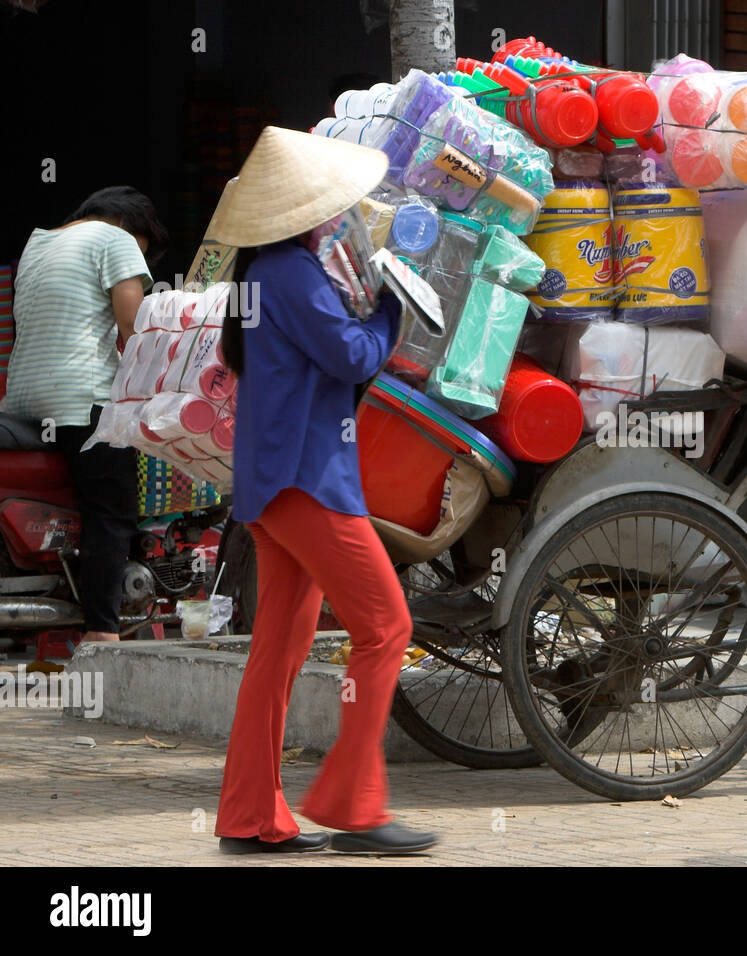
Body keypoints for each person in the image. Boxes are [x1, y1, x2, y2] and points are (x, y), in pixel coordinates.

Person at [209, 126, 436, 853]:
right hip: (308, 479)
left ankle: (250, 816)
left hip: (270, 481)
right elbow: (352, 356)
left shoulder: (257, 274)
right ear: (306, 213)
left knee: (277, 649)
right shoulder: (294, 273)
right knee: (385, 627)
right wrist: (393, 309)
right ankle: (352, 804)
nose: (340, 216)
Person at [4, 187, 168, 644]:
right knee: (110, 514)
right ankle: (102, 635)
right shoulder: (116, 238)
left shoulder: (39, 242)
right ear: (129, 226)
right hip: (78, 398)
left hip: (23, 401)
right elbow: (134, 329)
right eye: (142, 255)